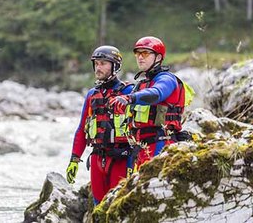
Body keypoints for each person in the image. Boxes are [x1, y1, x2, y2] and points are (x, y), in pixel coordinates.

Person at [109, 36, 191, 171]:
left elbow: (157, 93)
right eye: (137, 53)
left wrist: (130, 98)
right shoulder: (142, 84)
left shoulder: (167, 79)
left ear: (158, 58)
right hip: (141, 147)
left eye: (145, 53)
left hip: (161, 143)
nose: (140, 57)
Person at [66, 45, 134, 205]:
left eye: (103, 63)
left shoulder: (129, 92)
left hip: (122, 158)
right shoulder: (92, 94)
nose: (98, 67)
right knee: (99, 207)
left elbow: (139, 127)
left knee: (118, 206)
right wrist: (74, 159)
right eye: (96, 63)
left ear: (115, 66)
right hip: (97, 158)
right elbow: (82, 129)